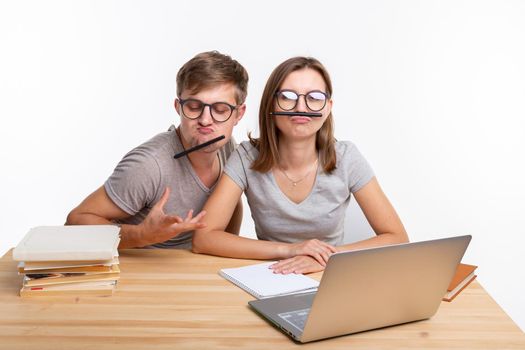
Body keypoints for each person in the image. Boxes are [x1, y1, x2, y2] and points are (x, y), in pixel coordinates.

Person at [192, 56, 408, 273]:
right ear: (271, 103)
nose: (301, 107)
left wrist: (326, 257)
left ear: (327, 107)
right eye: (287, 96)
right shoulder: (246, 156)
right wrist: (290, 250)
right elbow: (204, 238)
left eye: (314, 97)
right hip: (275, 274)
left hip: (330, 276)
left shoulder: (347, 157)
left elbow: (397, 237)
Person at [66, 51, 248, 249]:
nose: (205, 120)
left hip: (191, 269)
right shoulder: (149, 166)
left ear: (238, 114)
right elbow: (75, 221)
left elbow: (231, 204)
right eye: (194, 107)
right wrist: (141, 235)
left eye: (220, 110)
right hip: (143, 272)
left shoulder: (227, 146)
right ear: (178, 107)